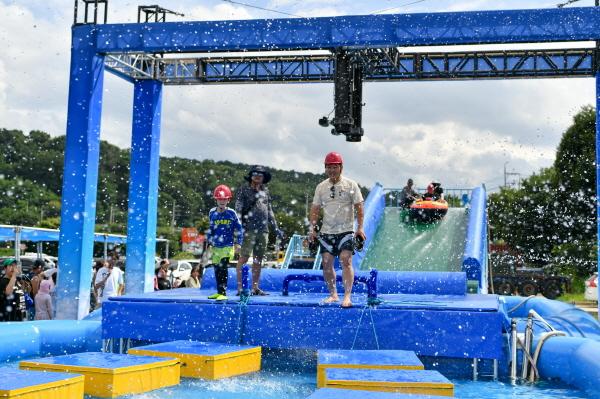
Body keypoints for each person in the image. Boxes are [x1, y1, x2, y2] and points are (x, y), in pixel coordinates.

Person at [308, 152, 366, 308]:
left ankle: (347, 296)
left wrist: (360, 228)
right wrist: (312, 230)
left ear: (341, 167)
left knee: (346, 260)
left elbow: (359, 207)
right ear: (325, 168)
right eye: (329, 167)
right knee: (326, 263)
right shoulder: (321, 187)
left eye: (335, 167)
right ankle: (333, 294)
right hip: (327, 231)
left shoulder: (351, 185)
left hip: (346, 230)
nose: (332, 170)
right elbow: (314, 209)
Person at [235, 165, 282, 296]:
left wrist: (275, 226)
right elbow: (238, 209)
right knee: (243, 258)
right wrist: (239, 227)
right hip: (248, 229)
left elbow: (269, 210)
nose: (258, 176)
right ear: (250, 176)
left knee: (258, 259)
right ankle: (240, 288)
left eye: (260, 174)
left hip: (263, 230)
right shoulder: (243, 189)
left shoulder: (265, 191)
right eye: (255, 174)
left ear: (263, 178)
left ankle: (255, 288)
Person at [208, 184, 243, 300]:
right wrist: (209, 243)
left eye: (224, 199)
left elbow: (239, 229)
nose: (222, 201)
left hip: (228, 246)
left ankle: (223, 293)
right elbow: (211, 229)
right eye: (219, 199)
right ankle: (219, 292)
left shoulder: (231, 213)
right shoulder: (212, 212)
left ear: (228, 200)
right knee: (217, 269)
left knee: (223, 266)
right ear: (216, 199)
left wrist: (239, 243)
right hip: (216, 247)